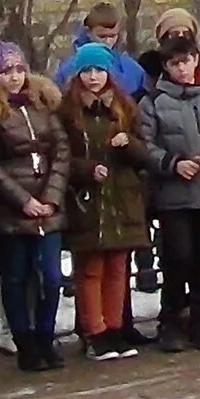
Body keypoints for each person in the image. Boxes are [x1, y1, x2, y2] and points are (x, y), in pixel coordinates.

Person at [0, 43, 69, 372]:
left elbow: (61, 150)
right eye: (6, 72)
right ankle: (24, 340)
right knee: (16, 276)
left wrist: (51, 197)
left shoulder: (42, 104)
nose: (14, 78)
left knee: (52, 277)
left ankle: (45, 335)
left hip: (47, 205)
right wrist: (23, 200)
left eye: (18, 70)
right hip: (13, 208)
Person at [141, 37, 200, 352]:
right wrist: (172, 164)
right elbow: (145, 145)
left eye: (186, 61)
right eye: (174, 64)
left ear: (196, 60)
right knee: (176, 258)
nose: (182, 68)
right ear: (166, 67)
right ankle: (171, 320)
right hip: (173, 195)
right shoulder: (153, 102)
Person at [61, 43, 152, 359]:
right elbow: (60, 158)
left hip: (122, 196)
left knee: (118, 266)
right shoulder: (68, 111)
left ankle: (115, 328)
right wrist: (86, 169)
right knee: (91, 269)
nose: (94, 77)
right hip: (88, 200)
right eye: (87, 71)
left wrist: (129, 144)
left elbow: (145, 154)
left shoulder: (125, 107)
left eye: (99, 70)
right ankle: (94, 332)